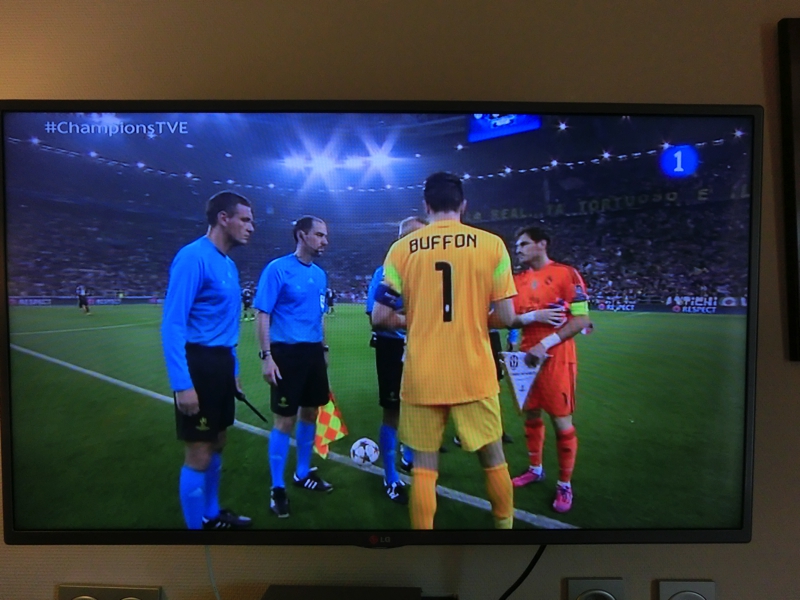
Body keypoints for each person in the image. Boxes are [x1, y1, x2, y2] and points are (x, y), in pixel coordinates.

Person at [372, 172, 518, 530]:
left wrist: (418, 319)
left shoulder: (400, 250)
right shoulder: (493, 245)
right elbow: (506, 316)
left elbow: (380, 318)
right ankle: (505, 530)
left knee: (424, 467)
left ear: (426, 205)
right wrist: (473, 317)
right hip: (474, 371)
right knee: (494, 457)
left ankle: (424, 539)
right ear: (463, 205)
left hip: (423, 373)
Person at [161, 191, 255, 530]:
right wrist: (182, 384)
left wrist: (234, 370)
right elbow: (173, 323)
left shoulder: (227, 264)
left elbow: (226, 328)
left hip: (221, 365)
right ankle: (195, 534)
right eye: (245, 219)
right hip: (198, 364)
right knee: (199, 451)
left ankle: (212, 515)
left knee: (218, 441)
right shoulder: (192, 257)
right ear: (223, 218)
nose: (251, 227)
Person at [509, 225, 591, 514]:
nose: (518, 249)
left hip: (556, 356)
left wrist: (545, 344)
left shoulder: (566, 274)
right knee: (531, 414)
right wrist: (532, 319)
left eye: (523, 244)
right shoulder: (516, 280)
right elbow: (508, 319)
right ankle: (535, 468)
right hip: (525, 356)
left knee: (561, 421)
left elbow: (581, 320)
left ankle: (564, 484)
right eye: (517, 245)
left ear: (541, 244)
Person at [255, 215, 333, 519]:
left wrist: (323, 348)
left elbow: (319, 315)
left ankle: (302, 473)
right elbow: (263, 314)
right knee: (284, 420)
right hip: (286, 353)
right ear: (302, 235)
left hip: (313, 352)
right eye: (319, 235)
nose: (325, 241)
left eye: (325, 236)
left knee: (311, 412)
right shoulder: (277, 269)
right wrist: (267, 356)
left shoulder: (320, 275)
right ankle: (277, 488)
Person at [366, 215, 428, 505]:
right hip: (392, 348)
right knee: (392, 411)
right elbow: (376, 318)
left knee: (421, 407)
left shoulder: (433, 271)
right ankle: (390, 477)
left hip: (425, 348)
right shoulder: (386, 271)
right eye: (408, 236)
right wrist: (415, 319)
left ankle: (409, 453)